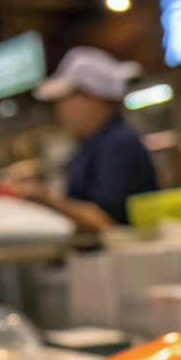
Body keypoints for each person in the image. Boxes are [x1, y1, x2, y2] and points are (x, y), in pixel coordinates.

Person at [27, 47, 158, 231]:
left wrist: (42, 198)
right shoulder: (91, 145)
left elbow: (105, 223)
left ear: (91, 97)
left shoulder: (117, 144)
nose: (60, 110)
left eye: (66, 99)